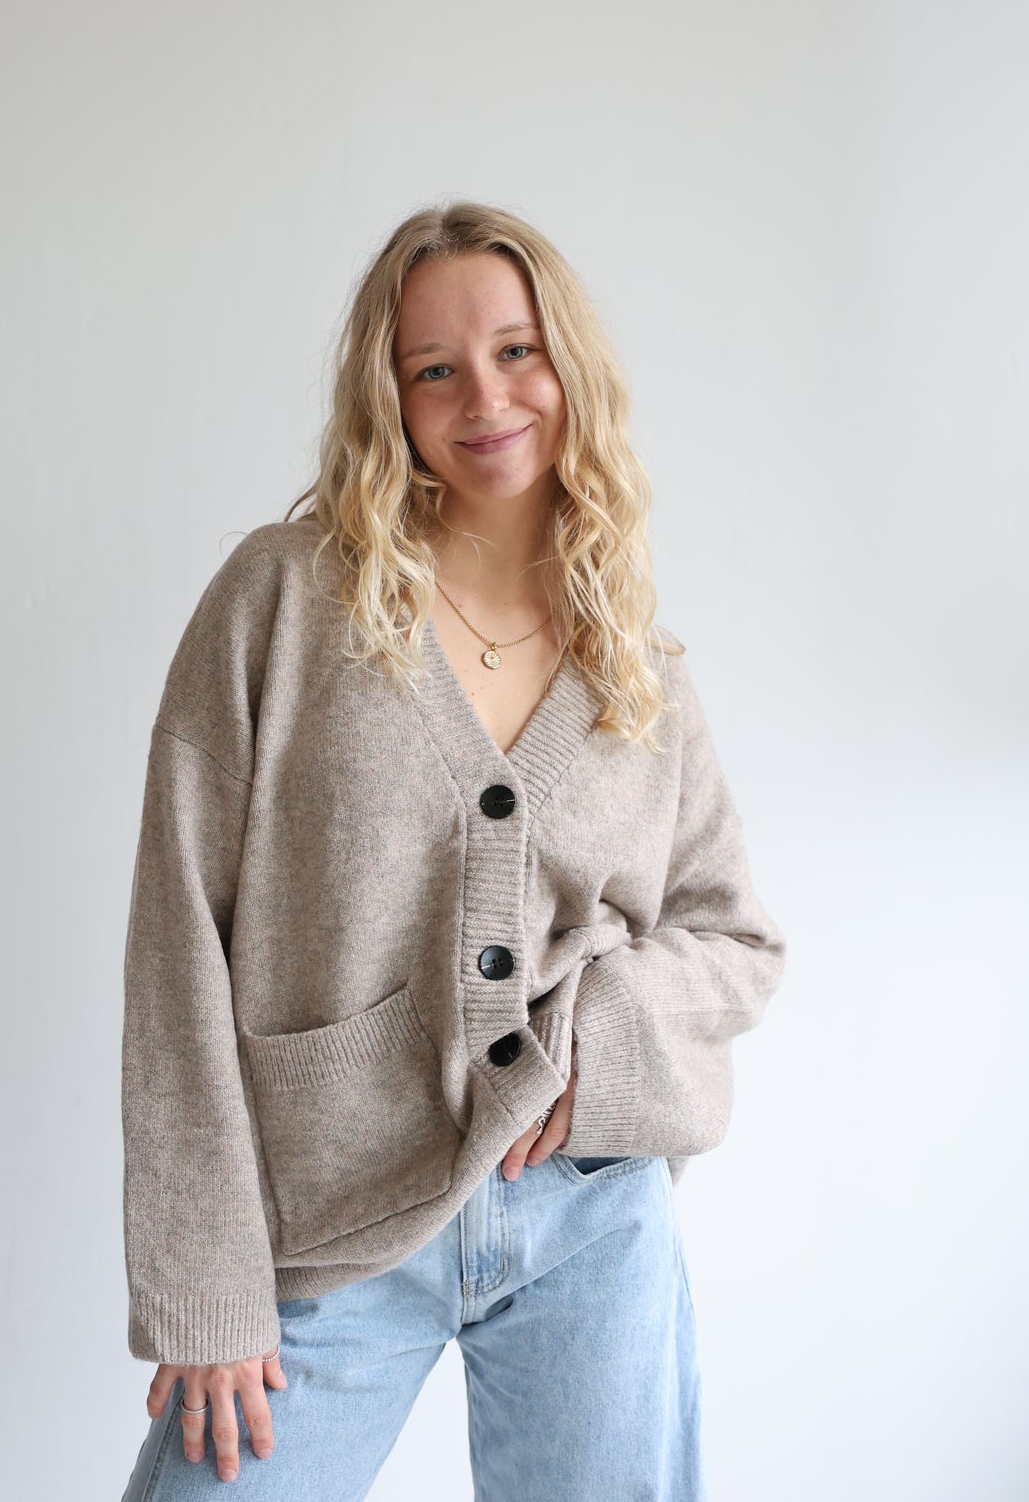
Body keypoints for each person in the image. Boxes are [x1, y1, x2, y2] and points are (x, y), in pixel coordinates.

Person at [119, 200, 787, 1500]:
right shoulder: (284, 600)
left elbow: (736, 941)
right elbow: (176, 943)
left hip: (587, 1220)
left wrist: (602, 1033)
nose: (484, 396)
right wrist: (206, 1286)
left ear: (568, 366)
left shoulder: (634, 665)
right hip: (331, 1224)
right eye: (435, 368)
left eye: (516, 351)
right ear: (393, 399)